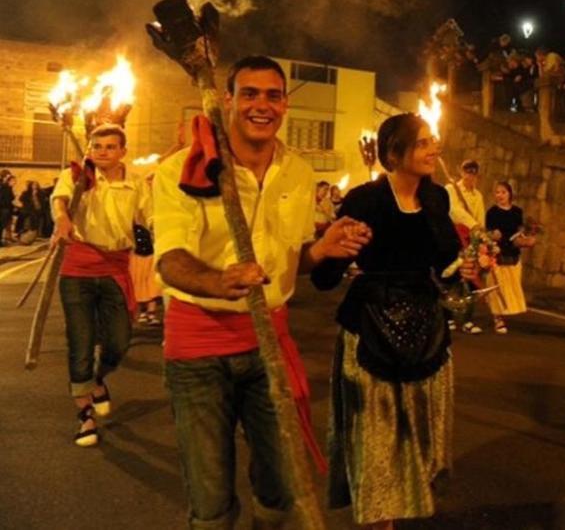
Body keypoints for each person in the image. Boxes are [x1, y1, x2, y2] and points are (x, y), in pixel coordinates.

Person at [154, 56, 369, 528]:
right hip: (198, 348)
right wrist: (218, 280)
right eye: (249, 93)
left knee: (279, 481)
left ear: (285, 104)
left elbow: (294, 262)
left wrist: (323, 250)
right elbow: (169, 260)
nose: (261, 105)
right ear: (227, 100)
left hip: (268, 341)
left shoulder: (298, 172)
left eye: (273, 95)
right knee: (210, 497)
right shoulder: (182, 170)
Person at [311, 112, 473, 528]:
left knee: (416, 440)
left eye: (432, 140)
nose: (433, 148)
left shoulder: (437, 198)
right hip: (371, 331)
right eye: (422, 143)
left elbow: (444, 262)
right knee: (378, 443)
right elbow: (326, 277)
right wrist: (330, 250)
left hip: (426, 332)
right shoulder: (365, 199)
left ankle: (398, 517)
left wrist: (467, 268)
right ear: (393, 153)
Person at [50, 124, 151, 447]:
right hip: (78, 266)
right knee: (80, 342)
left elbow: (150, 218)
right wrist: (62, 219)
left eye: (110, 146)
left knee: (119, 341)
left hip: (115, 267)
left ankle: (97, 379)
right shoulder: (78, 173)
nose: (102, 151)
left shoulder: (136, 182)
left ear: (123, 150)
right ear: (89, 147)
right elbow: (60, 200)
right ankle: (85, 416)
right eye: (97, 145)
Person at [485, 180, 534, 334]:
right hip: (498, 254)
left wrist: (526, 239)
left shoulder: (517, 212)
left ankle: (503, 314)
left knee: (511, 289)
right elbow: (487, 233)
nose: (500, 195)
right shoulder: (492, 212)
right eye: (497, 192)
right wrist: (493, 236)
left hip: (512, 254)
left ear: (510, 194)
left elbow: (520, 231)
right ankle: (497, 319)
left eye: (503, 192)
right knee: (496, 288)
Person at [446, 159, 486, 335]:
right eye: (467, 171)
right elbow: (453, 211)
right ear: (461, 172)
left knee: (470, 278)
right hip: (453, 237)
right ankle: (447, 316)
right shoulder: (451, 189)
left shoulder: (478, 196)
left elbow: (480, 218)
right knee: (451, 277)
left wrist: (481, 239)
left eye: (473, 172)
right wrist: (473, 225)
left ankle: (468, 320)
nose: (470, 175)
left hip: (470, 240)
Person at [0, 170, 14, 245]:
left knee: (3, 225)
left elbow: (11, 197)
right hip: (3, 208)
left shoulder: (7, 186)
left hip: (6, 208)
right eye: (8, 176)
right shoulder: (3, 185)